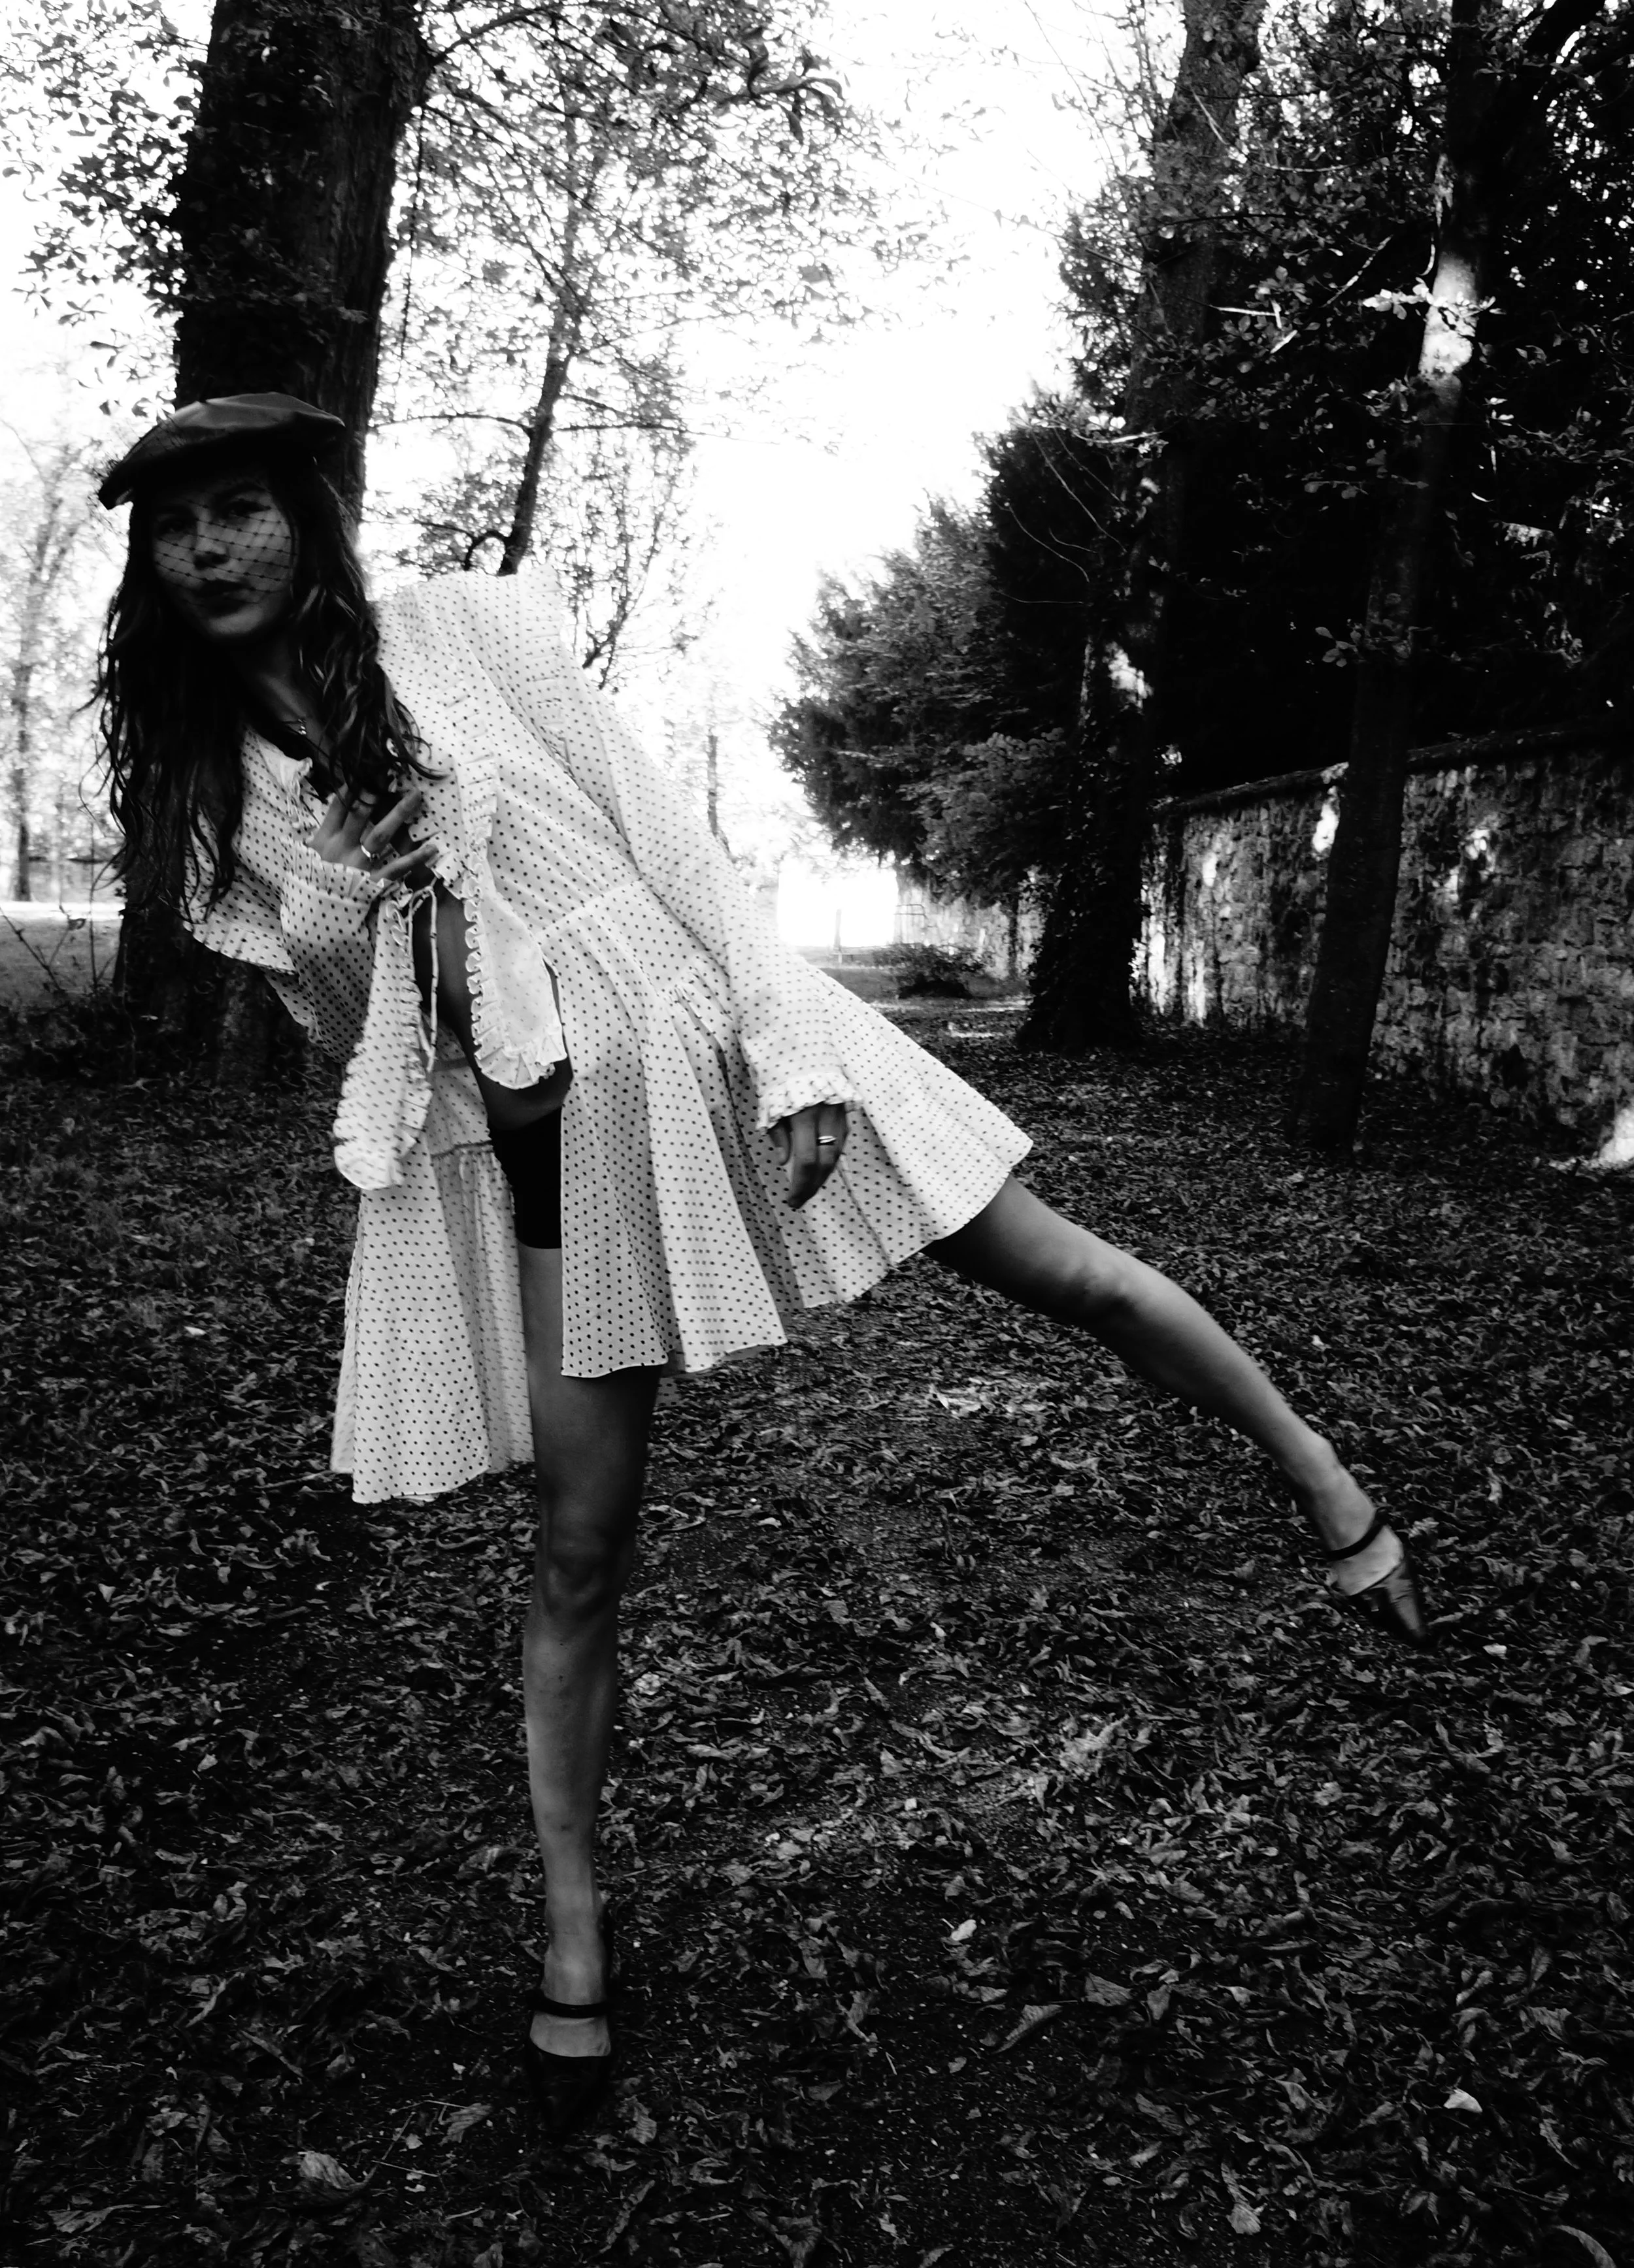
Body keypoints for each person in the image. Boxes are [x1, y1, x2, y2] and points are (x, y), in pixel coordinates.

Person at [97, 392, 1429, 2137]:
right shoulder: (208, 798)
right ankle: (572, 1940)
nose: (209, 550)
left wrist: (792, 1046)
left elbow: (668, 839)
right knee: (577, 1554)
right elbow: (364, 1043)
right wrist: (345, 907)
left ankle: (1327, 1482)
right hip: (540, 1141)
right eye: (177, 523)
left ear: (307, 516)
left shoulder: (466, 631)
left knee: (1067, 1276)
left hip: (710, 1029)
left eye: (242, 509)